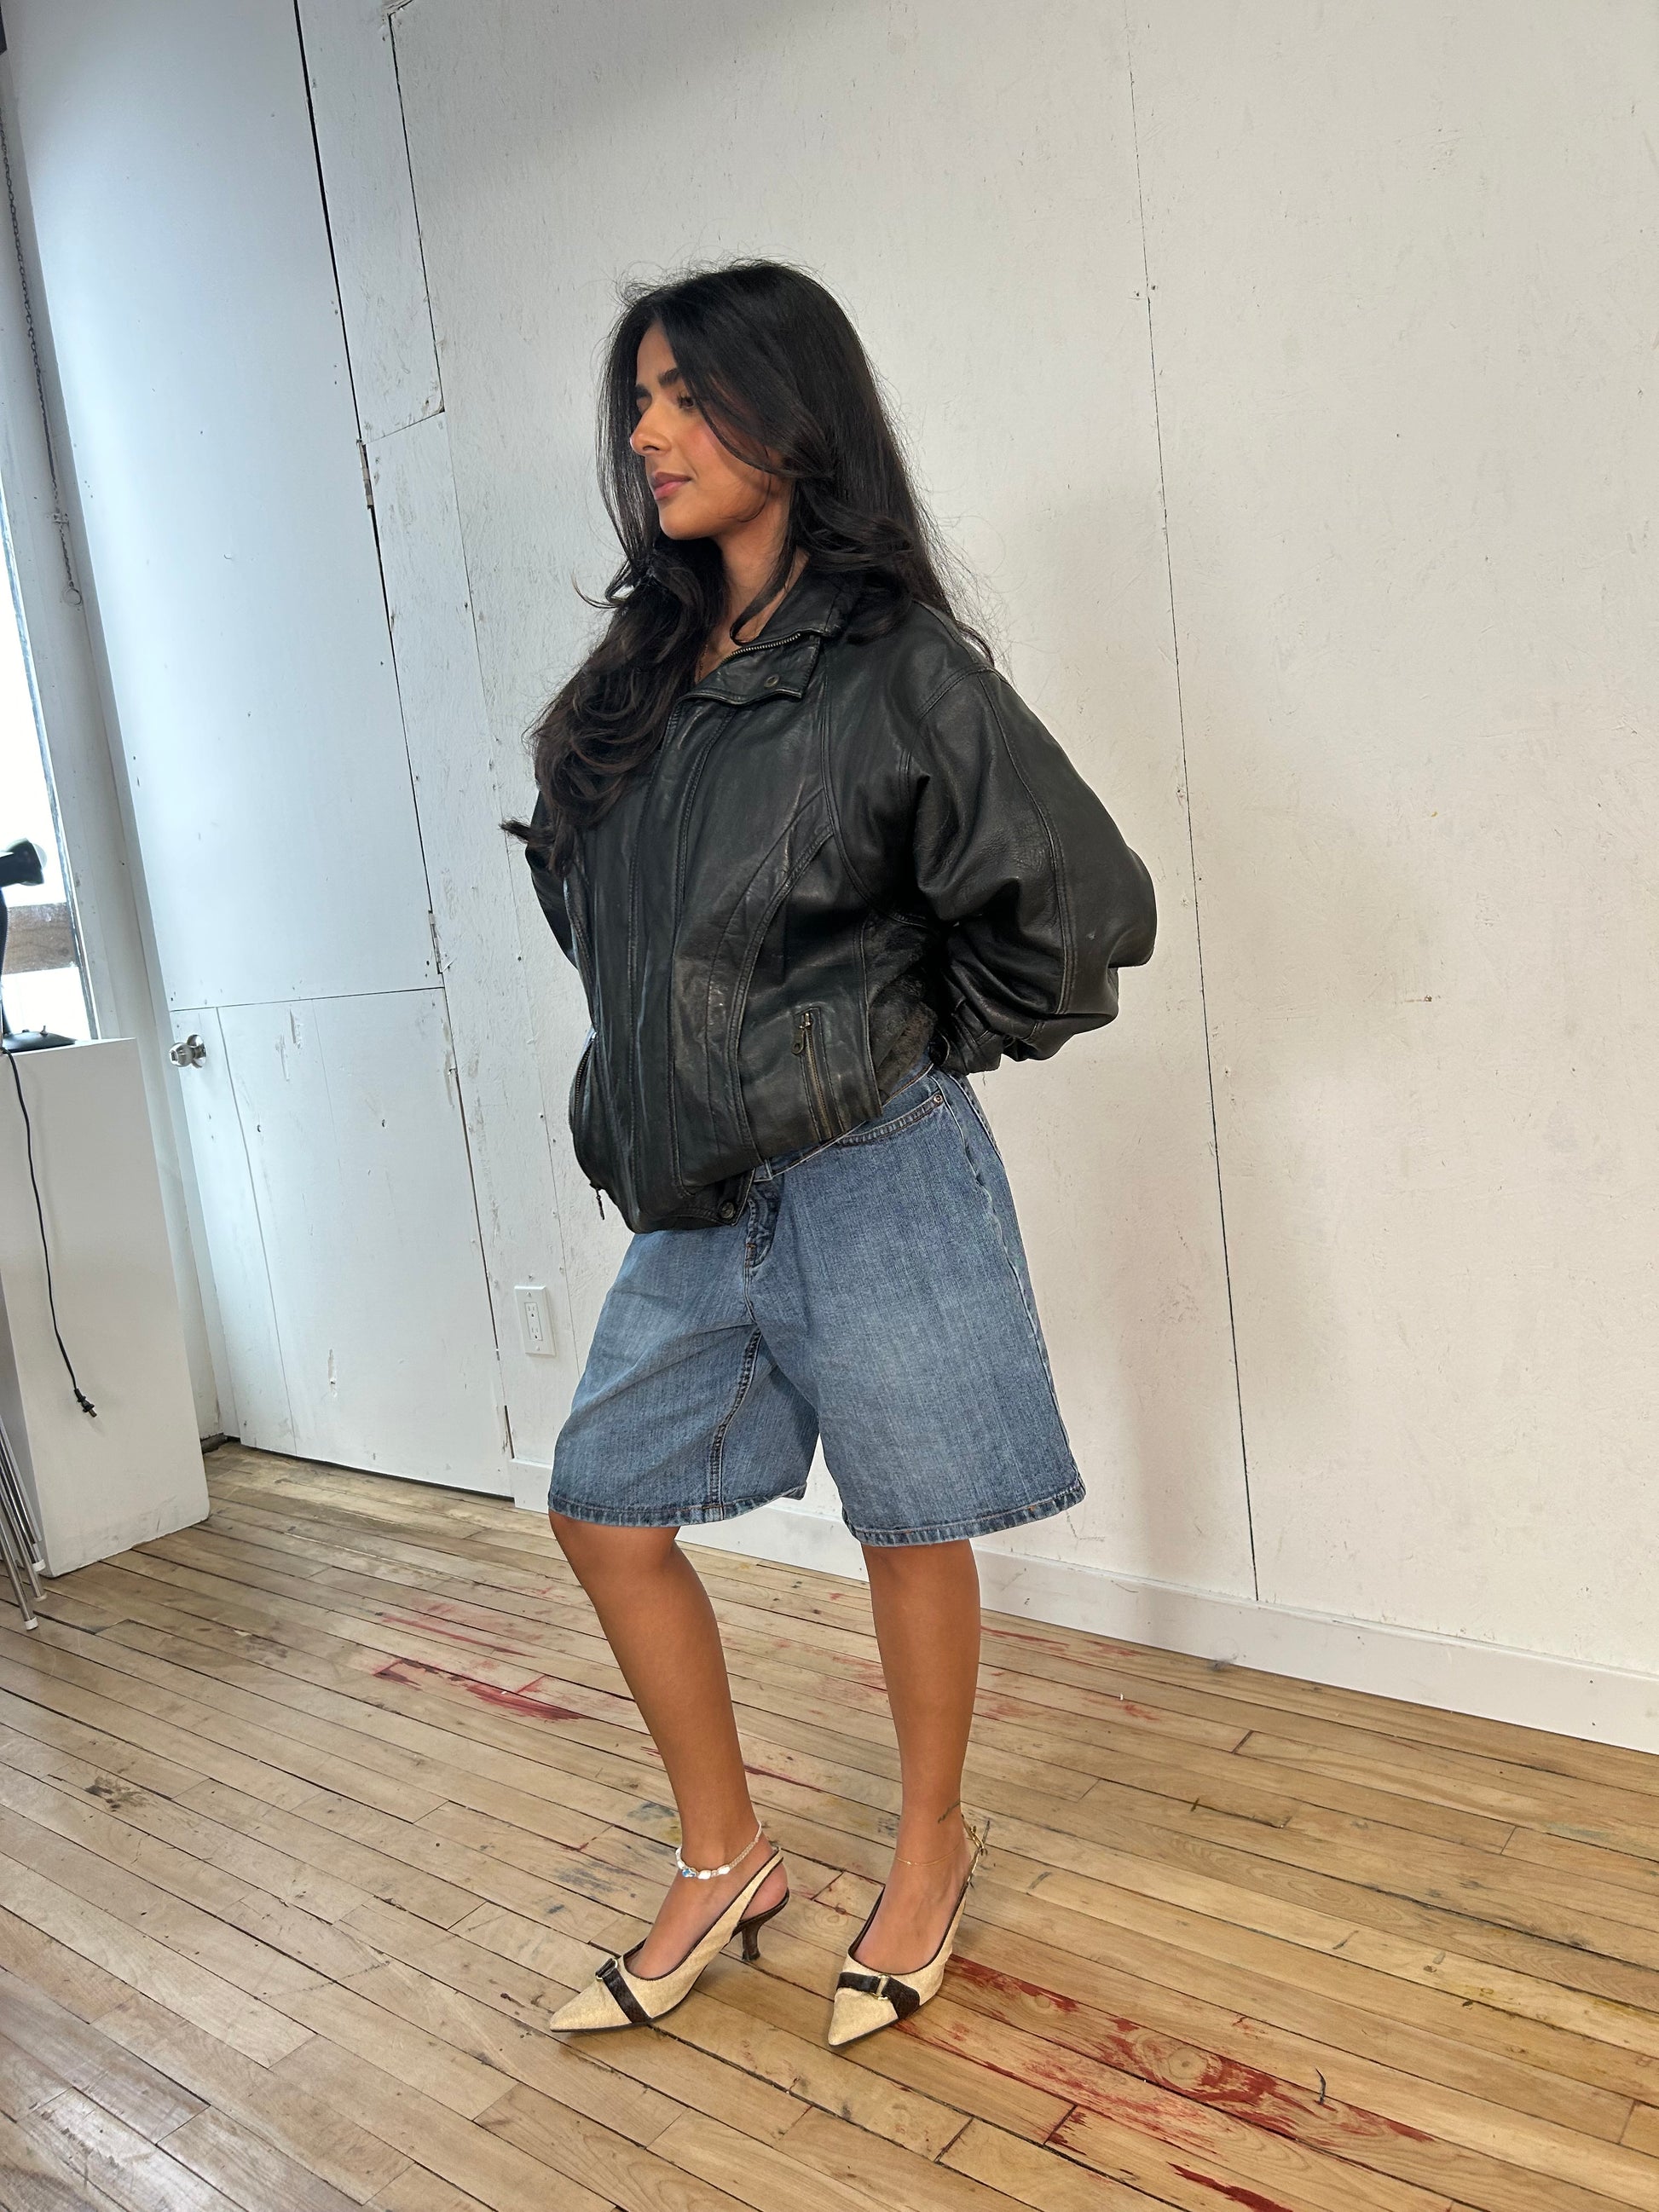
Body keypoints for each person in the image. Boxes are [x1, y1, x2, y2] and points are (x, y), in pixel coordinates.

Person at [509, 259, 1156, 2047]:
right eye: (638, 400)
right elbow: (598, 910)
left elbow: (1078, 908)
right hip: (702, 1187)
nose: (647, 433)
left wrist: (891, 1037)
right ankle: (726, 1856)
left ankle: (930, 1842)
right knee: (602, 1506)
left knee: (907, 1521)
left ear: (789, 416)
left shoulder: (895, 668)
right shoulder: (638, 678)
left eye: (684, 395)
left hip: (877, 1160)